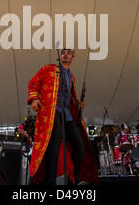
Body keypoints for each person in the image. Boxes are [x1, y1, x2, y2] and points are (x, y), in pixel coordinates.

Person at [27, 49, 98, 185]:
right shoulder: (48, 69)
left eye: (69, 53)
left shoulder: (71, 77)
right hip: (52, 111)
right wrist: (34, 99)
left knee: (79, 147)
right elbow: (33, 83)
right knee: (54, 144)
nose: (65, 54)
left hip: (67, 114)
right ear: (60, 56)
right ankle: (49, 181)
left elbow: (70, 98)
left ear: (72, 58)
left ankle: (73, 179)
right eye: (63, 52)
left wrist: (78, 105)